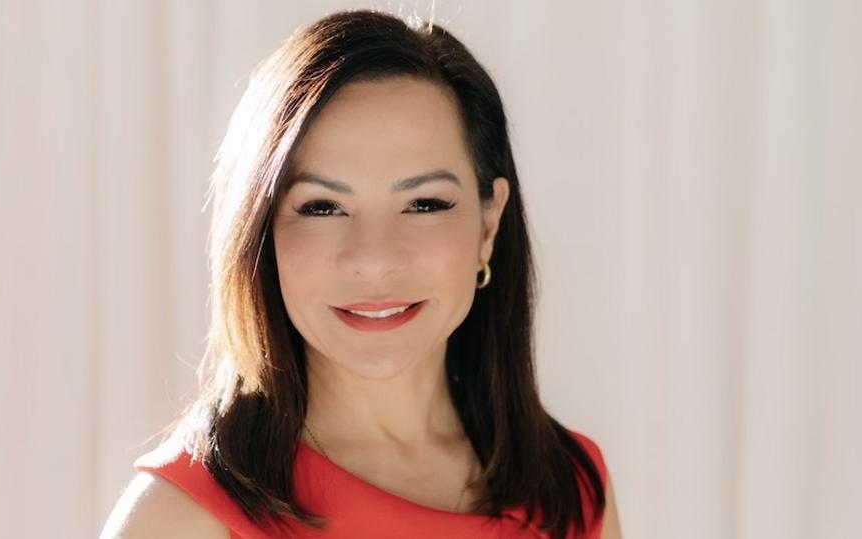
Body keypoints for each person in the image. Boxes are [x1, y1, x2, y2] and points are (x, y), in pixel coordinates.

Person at [102, 8, 622, 539]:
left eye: (424, 204)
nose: (373, 259)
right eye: (323, 207)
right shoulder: (181, 518)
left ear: (489, 224)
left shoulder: (572, 491)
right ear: (262, 232)